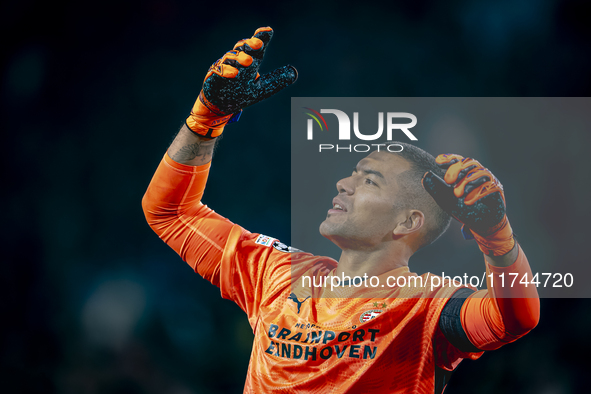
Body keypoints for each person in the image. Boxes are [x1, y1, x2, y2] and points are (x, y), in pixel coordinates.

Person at [142, 27, 540, 393]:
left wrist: (497, 236)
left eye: (369, 180)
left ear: (408, 221)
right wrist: (205, 120)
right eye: (353, 172)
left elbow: (513, 318)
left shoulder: (426, 306)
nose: (343, 184)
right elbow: (170, 212)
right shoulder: (279, 274)